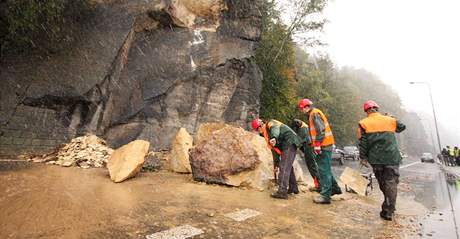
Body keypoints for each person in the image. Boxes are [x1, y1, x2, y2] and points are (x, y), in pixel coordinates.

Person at [358, 100, 406, 221]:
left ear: (366, 111)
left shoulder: (363, 123)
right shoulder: (389, 120)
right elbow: (401, 127)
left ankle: (387, 208)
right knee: (391, 183)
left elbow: (363, 142)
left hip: (376, 159)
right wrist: (392, 117)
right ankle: (389, 210)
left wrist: (363, 157)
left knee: (383, 184)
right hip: (392, 158)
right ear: (377, 109)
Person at [298, 99, 342, 204]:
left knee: (323, 170)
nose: (301, 110)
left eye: (301, 108)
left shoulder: (314, 114)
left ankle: (325, 196)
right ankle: (335, 189)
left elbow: (321, 130)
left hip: (324, 145)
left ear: (306, 107)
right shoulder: (314, 113)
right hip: (325, 144)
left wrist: (317, 144)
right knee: (325, 168)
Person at [252, 118, 301, 199]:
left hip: (289, 142)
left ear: (260, 126)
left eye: (258, 129)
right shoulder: (266, 135)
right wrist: (276, 164)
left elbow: (275, 129)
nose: (259, 131)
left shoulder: (270, 123)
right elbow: (274, 151)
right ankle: (293, 188)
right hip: (287, 144)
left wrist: (274, 137)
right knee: (287, 166)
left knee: (284, 167)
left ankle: (282, 192)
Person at [291, 119, 321, 192]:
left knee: (312, 167)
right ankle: (319, 185)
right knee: (313, 166)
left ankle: (319, 186)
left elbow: (298, 141)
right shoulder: (305, 126)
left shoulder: (302, 129)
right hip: (309, 148)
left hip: (309, 148)